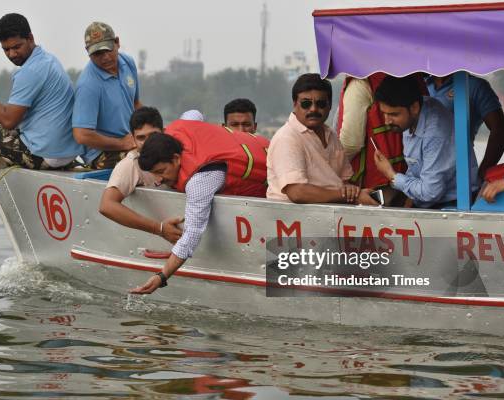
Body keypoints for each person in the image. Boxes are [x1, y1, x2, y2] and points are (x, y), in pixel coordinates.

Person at [130, 120, 269, 294]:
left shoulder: (199, 181)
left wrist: (162, 276)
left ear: (176, 158)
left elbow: (192, 234)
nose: (158, 180)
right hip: (260, 145)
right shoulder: (176, 129)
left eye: (161, 172)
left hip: (271, 178)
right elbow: (194, 114)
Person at [0, 13, 83, 169]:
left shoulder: (30, 71)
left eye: (17, 47)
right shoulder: (48, 59)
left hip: (43, 155)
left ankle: (4, 158)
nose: (12, 54)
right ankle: (5, 157)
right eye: (6, 49)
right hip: (67, 153)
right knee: (8, 131)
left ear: (30, 38)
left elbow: (8, 121)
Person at [266, 73, 377, 205]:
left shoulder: (331, 135)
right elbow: (297, 192)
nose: (313, 109)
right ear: (295, 104)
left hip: (330, 216)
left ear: (329, 106)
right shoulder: (287, 138)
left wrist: (355, 194)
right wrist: (347, 195)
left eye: (321, 103)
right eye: (306, 104)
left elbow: (345, 182)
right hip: (294, 221)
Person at [373, 75, 479, 208]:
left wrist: (391, 175)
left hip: (452, 204)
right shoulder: (413, 115)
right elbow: (416, 166)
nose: (387, 121)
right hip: (426, 199)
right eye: (384, 113)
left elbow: (431, 192)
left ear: (414, 108)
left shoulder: (435, 132)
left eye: (394, 114)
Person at [99, 107, 183, 243]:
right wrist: (159, 228)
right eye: (141, 138)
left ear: (164, 132)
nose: (148, 142)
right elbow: (107, 205)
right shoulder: (131, 164)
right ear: (132, 139)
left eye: (153, 135)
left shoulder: (176, 152)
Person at [73, 22, 142, 170]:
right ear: (88, 52)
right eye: (97, 53)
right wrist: (122, 143)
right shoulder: (88, 85)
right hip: (102, 153)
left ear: (117, 43)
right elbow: (82, 135)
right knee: (146, 161)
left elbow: (135, 104)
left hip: (130, 140)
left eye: (108, 50)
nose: (105, 57)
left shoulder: (127, 62)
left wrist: (152, 130)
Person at [426, 73, 504, 179]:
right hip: (422, 173)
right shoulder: (422, 84)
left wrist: (483, 172)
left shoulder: (474, 85)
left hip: (457, 173)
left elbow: (500, 130)